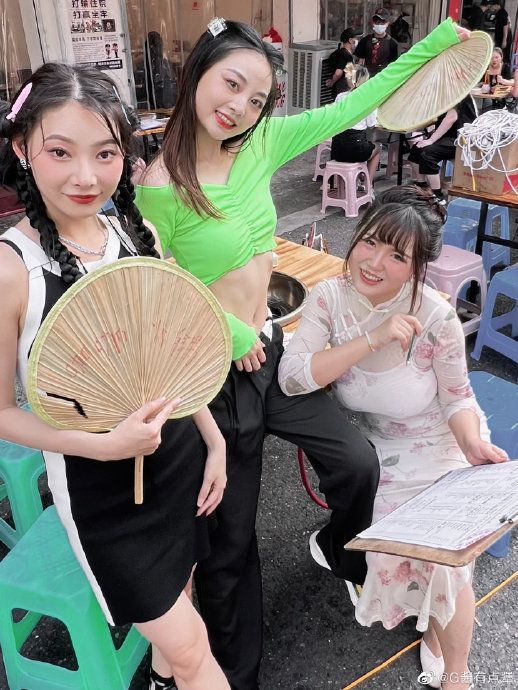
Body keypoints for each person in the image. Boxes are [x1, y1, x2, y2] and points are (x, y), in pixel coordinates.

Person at [136, 18, 471, 690]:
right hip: (213, 375)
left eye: (257, 98)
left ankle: (341, 552)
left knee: (355, 462)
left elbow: (358, 102)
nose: (239, 106)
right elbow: (157, 292)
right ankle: (235, 674)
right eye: (231, 84)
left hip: (268, 348)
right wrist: (232, 338)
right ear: (198, 72)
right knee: (230, 543)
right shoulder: (159, 186)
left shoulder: (262, 141)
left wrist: (439, 41)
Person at [0, 63, 231, 690]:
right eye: (60, 152)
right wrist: (104, 446)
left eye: (105, 153)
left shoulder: (137, 233)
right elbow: (2, 412)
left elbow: (171, 350)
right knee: (192, 647)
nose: (86, 176)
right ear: (22, 148)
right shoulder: (13, 269)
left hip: (178, 460)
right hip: (101, 494)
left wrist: (213, 440)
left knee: (184, 602)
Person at [278, 185, 508, 690]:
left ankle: (456, 674)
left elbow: (458, 399)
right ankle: (428, 621)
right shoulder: (329, 298)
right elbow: (292, 378)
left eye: (398, 256)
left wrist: (472, 444)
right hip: (381, 449)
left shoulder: (435, 316)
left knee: (444, 557)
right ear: (356, 235)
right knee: (402, 542)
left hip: (441, 442)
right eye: (370, 242)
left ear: (418, 267)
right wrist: (372, 339)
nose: (374, 262)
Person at [407, 94, 477, 203]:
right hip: (447, 137)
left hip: (461, 140)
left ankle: (437, 195)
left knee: (427, 153)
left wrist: (431, 140)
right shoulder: (444, 92)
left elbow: (451, 118)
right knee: (416, 149)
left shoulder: (457, 92)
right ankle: (422, 186)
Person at [330, 66, 381, 186]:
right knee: (378, 148)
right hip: (356, 147)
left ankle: (346, 186)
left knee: (364, 146)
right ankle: (367, 185)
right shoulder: (369, 99)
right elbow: (372, 124)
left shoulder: (340, 96)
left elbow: (334, 118)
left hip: (337, 148)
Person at [134, 31, 178, 110]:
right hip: (149, 104)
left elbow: (171, 85)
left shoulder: (165, 64)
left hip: (165, 103)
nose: (154, 50)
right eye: (152, 47)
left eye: (156, 46)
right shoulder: (142, 64)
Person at [355, 8, 399, 76]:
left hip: (384, 77)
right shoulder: (365, 40)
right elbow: (359, 61)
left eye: (382, 22)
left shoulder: (392, 44)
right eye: (377, 21)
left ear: (387, 23)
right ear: (373, 23)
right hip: (367, 78)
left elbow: (394, 66)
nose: (379, 24)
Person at [326, 27, 361, 98]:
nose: (357, 41)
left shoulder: (344, 54)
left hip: (344, 89)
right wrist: (332, 81)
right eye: (356, 39)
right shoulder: (345, 55)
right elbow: (338, 73)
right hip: (342, 91)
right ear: (350, 40)